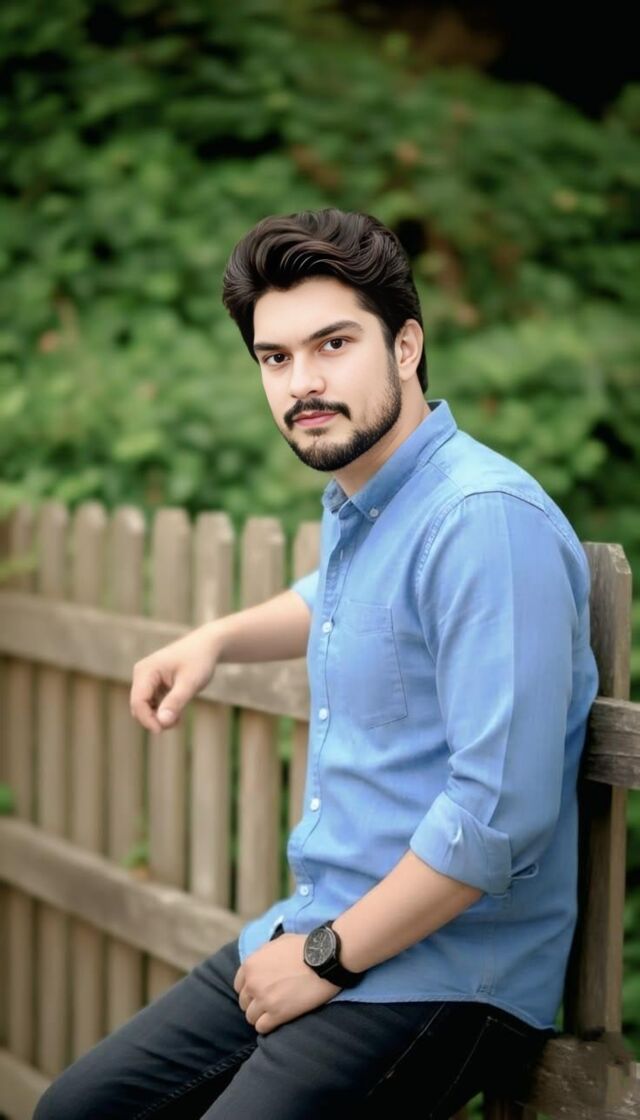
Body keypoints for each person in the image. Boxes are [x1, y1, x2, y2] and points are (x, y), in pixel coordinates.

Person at [34, 208, 599, 1119]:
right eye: (276, 357)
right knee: (78, 1108)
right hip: (320, 927)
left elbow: (497, 814)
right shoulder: (372, 501)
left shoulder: (483, 521)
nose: (303, 382)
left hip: (447, 973)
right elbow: (334, 600)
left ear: (406, 345)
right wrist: (215, 640)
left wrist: (324, 959)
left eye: (333, 344)